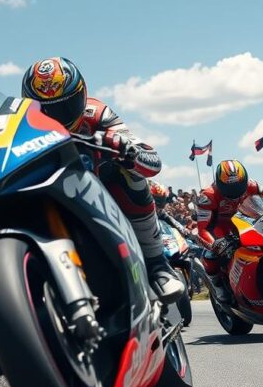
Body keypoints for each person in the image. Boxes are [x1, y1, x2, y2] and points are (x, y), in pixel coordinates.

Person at [21, 57, 183, 304]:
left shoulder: (98, 113)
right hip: (49, 196)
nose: (57, 117)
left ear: (82, 94)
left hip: (100, 189)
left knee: (133, 177)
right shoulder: (20, 126)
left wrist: (127, 151)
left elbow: (152, 160)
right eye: (46, 110)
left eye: (65, 107)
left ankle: (157, 265)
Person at [196, 160, 263, 304]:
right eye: (230, 187)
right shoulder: (208, 196)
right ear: (220, 183)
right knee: (210, 256)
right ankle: (218, 286)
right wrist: (215, 244)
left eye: (238, 185)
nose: (235, 190)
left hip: (249, 225)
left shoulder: (252, 185)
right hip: (221, 230)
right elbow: (202, 229)